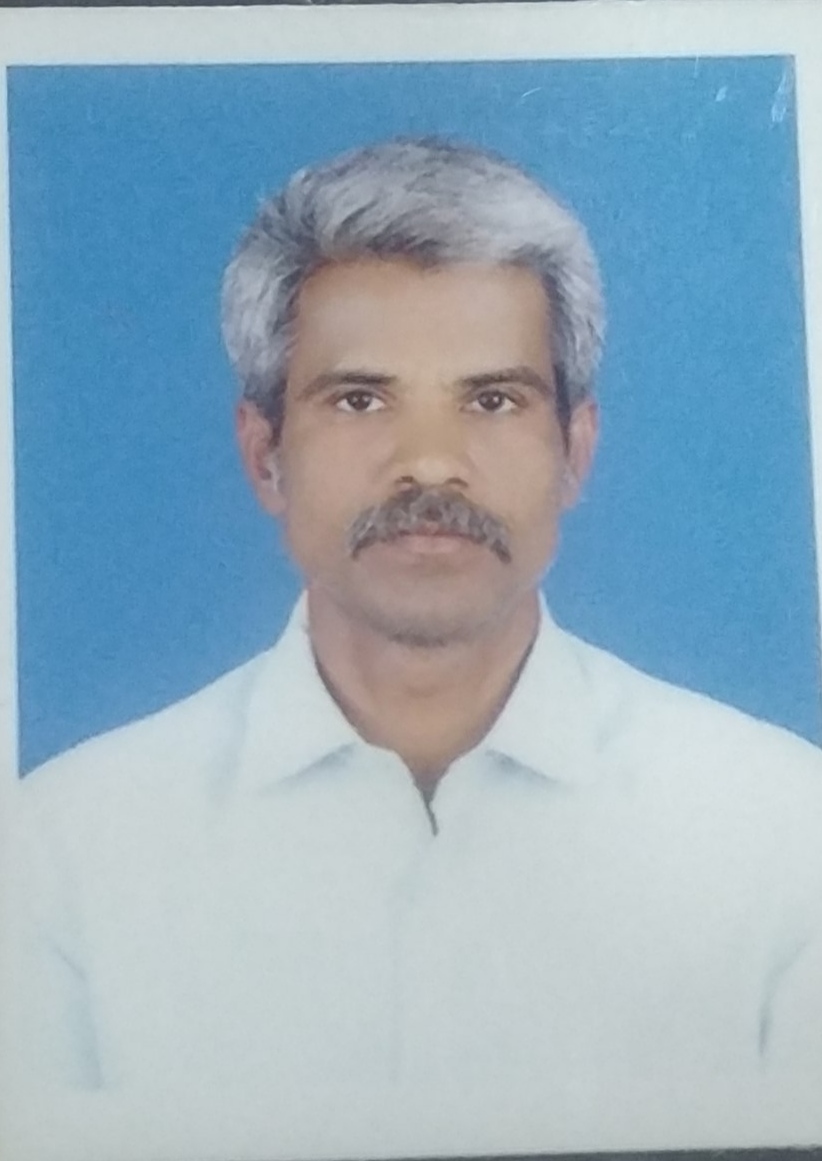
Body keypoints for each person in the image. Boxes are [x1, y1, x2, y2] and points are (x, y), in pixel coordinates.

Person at [8, 137, 822, 1151]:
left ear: (575, 452)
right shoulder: (61, 854)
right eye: (360, 399)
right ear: (265, 457)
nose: (430, 462)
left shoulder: (782, 831)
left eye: (493, 399)